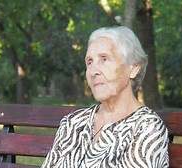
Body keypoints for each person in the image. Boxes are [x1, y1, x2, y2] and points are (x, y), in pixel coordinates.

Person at [41, 26, 169, 168]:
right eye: (89, 62)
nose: (93, 71)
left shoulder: (147, 128)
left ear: (133, 68)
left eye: (104, 59)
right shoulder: (73, 122)